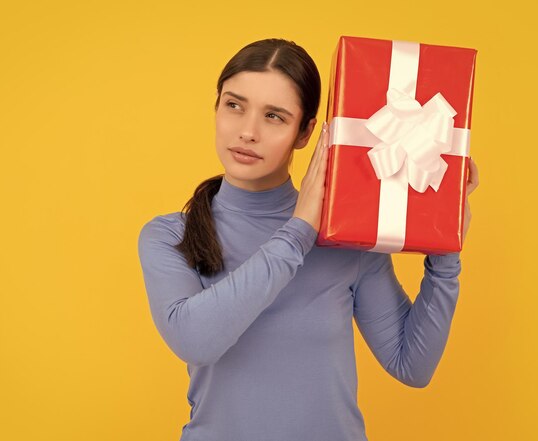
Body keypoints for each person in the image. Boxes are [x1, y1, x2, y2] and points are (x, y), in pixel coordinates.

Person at [137, 38, 479, 441]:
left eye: (275, 117)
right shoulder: (169, 235)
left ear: (305, 133)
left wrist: (445, 250)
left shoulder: (346, 236)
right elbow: (196, 341)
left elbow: (412, 365)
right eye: (234, 105)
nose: (247, 131)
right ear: (216, 108)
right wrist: (299, 231)